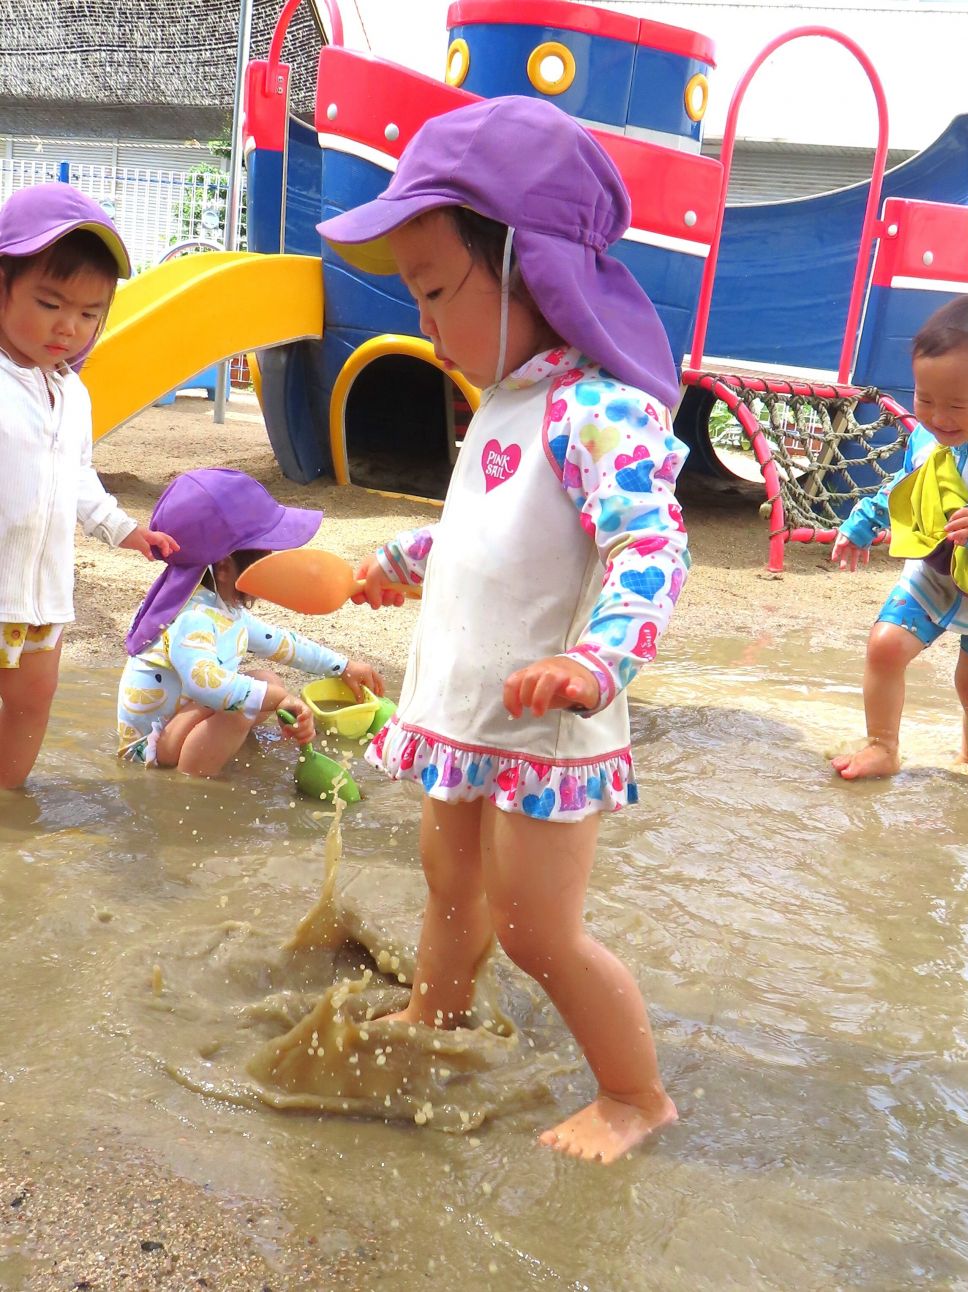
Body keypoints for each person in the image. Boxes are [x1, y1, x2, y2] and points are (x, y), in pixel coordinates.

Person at [316, 96, 690, 1163]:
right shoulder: (506, 403)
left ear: (531, 267)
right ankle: (436, 1005)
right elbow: (488, 532)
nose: (426, 326)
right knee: (447, 871)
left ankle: (633, 1093)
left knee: (536, 928)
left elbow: (648, 550)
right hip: (470, 714)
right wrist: (399, 563)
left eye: (436, 292)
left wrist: (593, 660)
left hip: (545, 724)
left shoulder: (598, 410)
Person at [0, 183, 178, 791]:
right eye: (50, 303)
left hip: (42, 594)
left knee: (34, 698)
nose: (68, 327)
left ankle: (9, 797)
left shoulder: (72, 394)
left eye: (89, 313)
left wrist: (127, 531)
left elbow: (77, 475)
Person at [118, 468, 384, 778]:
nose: (272, 562)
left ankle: (218, 748)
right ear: (224, 567)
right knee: (245, 705)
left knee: (266, 680)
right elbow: (204, 683)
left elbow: (282, 643)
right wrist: (280, 700)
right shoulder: (193, 618)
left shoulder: (221, 606)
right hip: (150, 749)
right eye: (264, 556)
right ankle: (191, 784)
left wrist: (344, 666)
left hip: (179, 723)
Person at [831, 294, 968, 779]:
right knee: (885, 645)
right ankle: (883, 746)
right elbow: (906, 489)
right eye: (924, 399)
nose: (938, 416)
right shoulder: (927, 438)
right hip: (932, 574)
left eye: (957, 404)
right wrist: (863, 520)